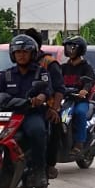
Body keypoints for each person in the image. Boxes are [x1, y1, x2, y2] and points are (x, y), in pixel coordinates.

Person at [0, 33, 52, 184]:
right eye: (18, 52)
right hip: (8, 116)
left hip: (30, 114)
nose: (21, 55)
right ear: (12, 54)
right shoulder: (6, 75)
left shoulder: (40, 72)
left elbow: (46, 90)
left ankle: (39, 170)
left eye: (25, 52)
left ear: (32, 54)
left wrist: (40, 97)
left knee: (37, 131)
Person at [22, 28, 66, 177]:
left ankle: (48, 165)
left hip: (46, 106)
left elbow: (59, 89)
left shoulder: (49, 64)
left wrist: (54, 108)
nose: (21, 52)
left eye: (25, 47)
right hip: (20, 107)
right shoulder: (18, 65)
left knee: (53, 124)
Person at [59, 35, 95, 161]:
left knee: (79, 113)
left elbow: (90, 80)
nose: (69, 50)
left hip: (80, 100)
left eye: (73, 47)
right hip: (65, 99)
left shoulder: (86, 67)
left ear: (80, 49)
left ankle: (79, 143)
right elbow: (56, 80)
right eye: (68, 47)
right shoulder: (63, 67)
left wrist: (84, 90)